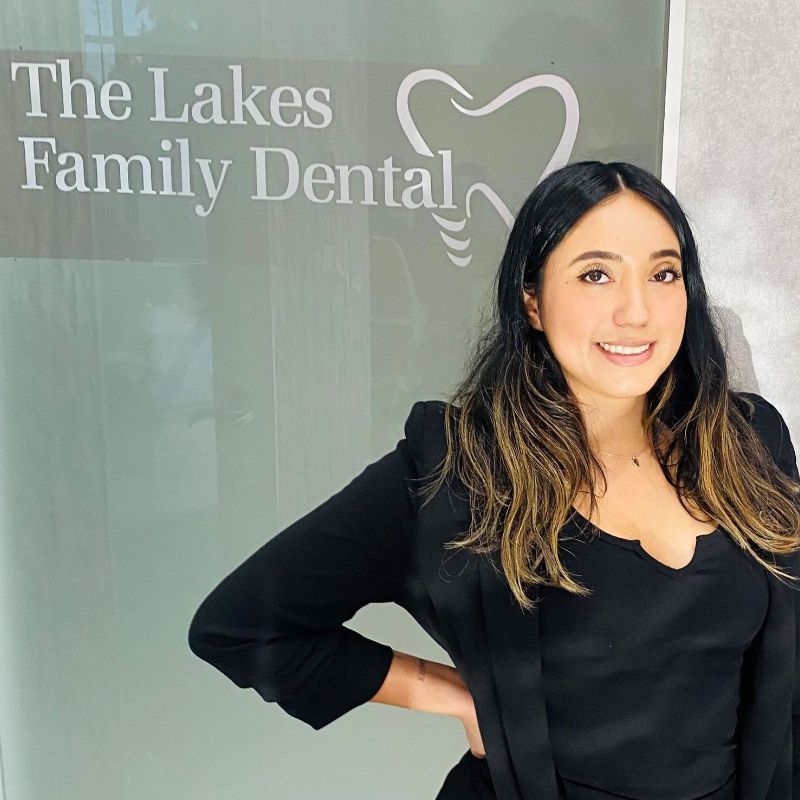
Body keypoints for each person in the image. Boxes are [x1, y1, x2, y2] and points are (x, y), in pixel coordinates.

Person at [187, 161, 800, 800]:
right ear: (532, 301)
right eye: (596, 274)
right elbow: (243, 625)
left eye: (663, 273)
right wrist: (453, 694)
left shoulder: (749, 444)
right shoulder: (458, 474)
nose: (637, 310)